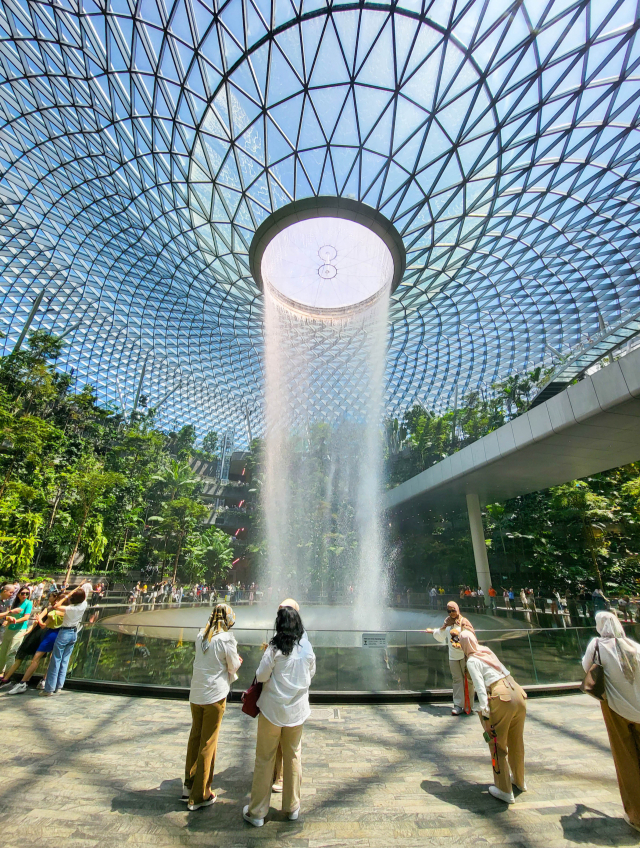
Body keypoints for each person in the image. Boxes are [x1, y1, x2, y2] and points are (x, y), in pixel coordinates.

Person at [243, 607, 316, 828]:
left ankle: (257, 812)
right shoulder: (306, 647)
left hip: (272, 711)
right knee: (293, 756)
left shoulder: (274, 647)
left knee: (265, 758)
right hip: (296, 712)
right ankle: (292, 807)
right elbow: (311, 673)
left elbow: (262, 675)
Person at [582, 611, 640, 833]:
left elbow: (586, 667)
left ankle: (636, 815)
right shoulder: (634, 646)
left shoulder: (597, 645)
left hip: (615, 708)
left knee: (626, 760)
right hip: (639, 708)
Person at [183, 603, 242, 810]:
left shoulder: (201, 636)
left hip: (196, 694)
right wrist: (237, 661)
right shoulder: (226, 639)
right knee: (208, 742)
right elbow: (233, 665)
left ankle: (188, 785)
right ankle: (199, 796)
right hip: (214, 697)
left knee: (195, 737)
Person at [459, 629, 527, 804]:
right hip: (518, 692)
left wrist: (486, 717)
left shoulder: (473, 661)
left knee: (497, 744)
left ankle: (504, 790)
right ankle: (519, 781)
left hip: (501, 697)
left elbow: (481, 690)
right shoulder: (486, 651)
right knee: (516, 741)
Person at [4, 592, 65, 694]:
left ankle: (18, 680)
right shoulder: (64, 611)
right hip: (55, 634)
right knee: (50, 658)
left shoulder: (52, 610)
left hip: (43, 633)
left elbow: (41, 623)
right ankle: (44, 681)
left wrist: (36, 622)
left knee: (32, 657)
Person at [425, 601, 475, 715]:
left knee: (468, 680)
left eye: (453, 610)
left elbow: (471, 634)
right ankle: (458, 705)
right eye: (449, 611)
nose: (451, 613)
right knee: (457, 680)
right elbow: (441, 633)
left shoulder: (464, 622)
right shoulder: (447, 622)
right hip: (453, 656)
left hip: (464, 655)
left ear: (458, 610)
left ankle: (469, 704)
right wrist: (432, 631)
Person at [41, 586, 87, 696]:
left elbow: (56, 606)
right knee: (65, 660)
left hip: (64, 633)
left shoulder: (70, 608)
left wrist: (67, 595)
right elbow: (82, 598)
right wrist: (75, 592)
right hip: (74, 633)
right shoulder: (83, 605)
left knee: (56, 660)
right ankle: (59, 686)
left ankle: (49, 689)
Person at [0, 586, 33, 683]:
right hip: (9, 630)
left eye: (27, 593)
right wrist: (8, 620)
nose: (25, 595)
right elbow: (9, 616)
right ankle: (1, 673)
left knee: (11, 652)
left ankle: (7, 677)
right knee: (3, 652)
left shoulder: (28, 603)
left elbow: (26, 618)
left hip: (19, 630)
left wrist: (14, 621)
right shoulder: (15, 603)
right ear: (18, 594)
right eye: (23, 593)